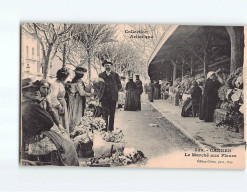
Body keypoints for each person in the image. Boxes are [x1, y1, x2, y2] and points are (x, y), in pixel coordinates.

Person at [21, 78, 79, 166]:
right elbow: (48, 122)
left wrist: (59, 124)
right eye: (31, 90)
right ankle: (68, 164)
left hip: (38, 131)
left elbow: (51, 114)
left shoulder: (31, 103)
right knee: (68, 144)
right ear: (24, 93)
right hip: (37, 134)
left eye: (36, 90)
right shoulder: (32, 105)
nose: (36, 92)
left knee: (65, 137)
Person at [98, 60, 122, 132]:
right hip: (104, 97)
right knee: (104, 112)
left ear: (111, 66)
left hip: (112, 97)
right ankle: (104, 129)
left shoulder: (115, 75)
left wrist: (114, 90)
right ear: (104, 67)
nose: (107, 67)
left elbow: (119, 85)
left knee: (112, 113)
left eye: (108, 65)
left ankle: (111, 129)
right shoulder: (101, 75)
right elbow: (99, 85)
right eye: (105, 65)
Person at [50, 68, 70, 132]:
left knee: (65, 121)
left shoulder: (60, 83)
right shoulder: (55, 84)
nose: (65, 79)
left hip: (62, 102)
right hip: (58, 105)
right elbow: (53, 97)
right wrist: (59, 106)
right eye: (65, 77)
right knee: (60, 121)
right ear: (62, 77)